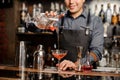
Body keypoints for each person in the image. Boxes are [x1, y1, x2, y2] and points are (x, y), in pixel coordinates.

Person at [47, 0, 104, 71]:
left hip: (85, 72)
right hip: (61, 71)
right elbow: (32, 28)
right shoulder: (57, 19)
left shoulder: (95, 21)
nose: (71, 2)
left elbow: (97, 52)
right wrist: (45, 20)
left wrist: (77, 64)